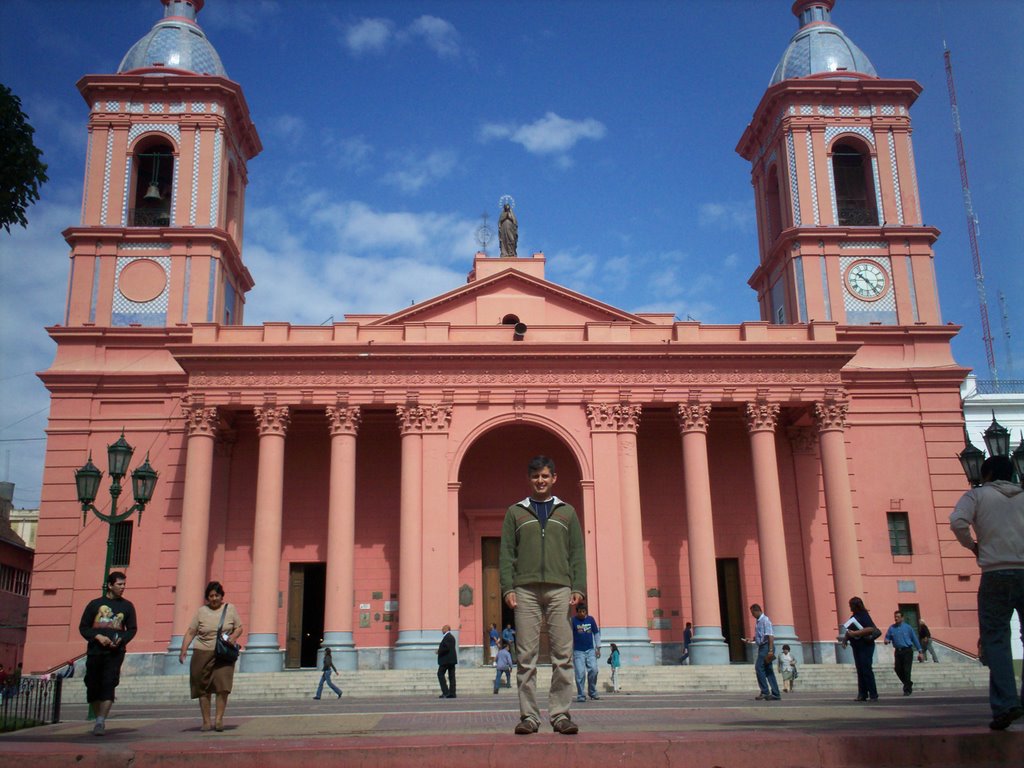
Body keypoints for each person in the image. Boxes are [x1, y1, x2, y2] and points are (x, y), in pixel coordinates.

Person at [500, 455, 587, 736]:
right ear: (530, 479)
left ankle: (561, 714)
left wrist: (578, 587)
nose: (541, 481)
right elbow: (506, 554)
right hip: (524, 591)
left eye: (545, 476)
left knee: (563, 654)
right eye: (536, 476)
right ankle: (529, 717)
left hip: (560, 588)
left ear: (554, 478)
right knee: (526, 657)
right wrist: (507, 588)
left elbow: (577, 553)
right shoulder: (515, 512)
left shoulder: (567, 512)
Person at [950, 454, 1024, 731]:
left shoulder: (977, 496)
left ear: (987, 474)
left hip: (996, 573)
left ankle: (1006, 703)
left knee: (996, 639)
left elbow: (957, 522)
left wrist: (973, 546)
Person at [178, 580, 243, 732]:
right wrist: (183, 649)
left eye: (217, 595)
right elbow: (191, 632)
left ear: (222, 596)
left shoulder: (230, 609)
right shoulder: (201, 612)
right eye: (211, 596)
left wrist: (232, 638)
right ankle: (206, 721)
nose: (214, 598)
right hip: (202, 652)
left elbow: (239, 628)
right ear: (207, 597)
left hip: (224, 653)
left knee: (223, 687)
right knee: (203, 688)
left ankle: (219, 719)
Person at [79, 571, 137, 736]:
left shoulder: (127, 606)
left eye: (124, 584)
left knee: (109, 684)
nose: (123, 587)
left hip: (114, 653)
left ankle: (100, 721)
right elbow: (84, 627)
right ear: (110, 585)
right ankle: (98, 716)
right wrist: (97, 636)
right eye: (119, 584)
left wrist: (121, 640)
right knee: (92, 686)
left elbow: (132, 629)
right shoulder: (94, 604)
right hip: (95, 652)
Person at [841, 596, 879, 702]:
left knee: (866, 669)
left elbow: (871, 628)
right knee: (860, 670)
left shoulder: (864, 615)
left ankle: (873, 694)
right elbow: (849, 630)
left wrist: (856, 633)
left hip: (865, 646)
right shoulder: (854, 616)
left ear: (856, 605)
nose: (850, 608)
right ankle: (862, 694)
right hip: (857, 646)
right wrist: (845, 639)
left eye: (851, 605)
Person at [744, 604, 780, 701]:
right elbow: (761, 637)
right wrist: (751, 640)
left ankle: (765, 691)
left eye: (752, 613)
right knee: (768, 670)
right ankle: (775, 693)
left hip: (767, 647)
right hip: (762, 646)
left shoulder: (765, 620)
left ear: (757, 611)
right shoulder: (758, 621)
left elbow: (770, 636)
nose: (752, 615)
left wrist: (771, 651)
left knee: (759, 667)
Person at [884, 610, 923, 696]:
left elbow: (914, 639)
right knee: (897, 669)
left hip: (907, 651)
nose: (896, 618)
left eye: (898, 617)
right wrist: (886, 640)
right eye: (895, 617)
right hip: (898, 651)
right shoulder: (892, 628)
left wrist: (920, 651)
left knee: (906, 670)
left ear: (902, 618)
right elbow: (887, 637)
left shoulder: (908, 628)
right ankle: (908, 683)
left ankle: (907, 690)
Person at [571, 604, 601, 702]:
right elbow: (569, 636)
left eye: (583, 611)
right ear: (577, 612)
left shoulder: (591, 620)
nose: (581, 613)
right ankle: (581, 695)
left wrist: (598, 647)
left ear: (586, 612)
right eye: (579, 611)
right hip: (578, 651)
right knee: (580, 673)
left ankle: (592, 691)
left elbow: (596, 633)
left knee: (594, 669)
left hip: (590, 650)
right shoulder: (573, 621)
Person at [436, 624, 457, 699]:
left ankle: (446, 692)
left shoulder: (447, 637)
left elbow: (446, 648)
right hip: (451, 660)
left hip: (446, 660)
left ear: (447, 629)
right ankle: (452, 693)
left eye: (443, 628)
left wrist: (439, 651)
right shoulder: (451, 637)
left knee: (440, 674)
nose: (442, 630)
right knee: (451, 676)